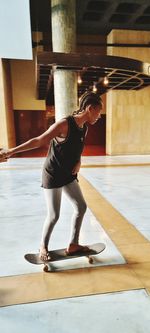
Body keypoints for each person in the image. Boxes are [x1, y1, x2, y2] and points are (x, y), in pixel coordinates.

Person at [0, 91, 103, 261]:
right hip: (53, 174)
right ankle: (43, 246)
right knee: (54, 215)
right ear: (90, 108)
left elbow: (78, 146)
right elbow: (39, 140)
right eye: (98, 112)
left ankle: (73, 244)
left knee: (81, 207)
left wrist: (78, 161)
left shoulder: (83, 127)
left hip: (69, 174)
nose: (99, 116)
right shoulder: (65, 124)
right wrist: (11, 152)